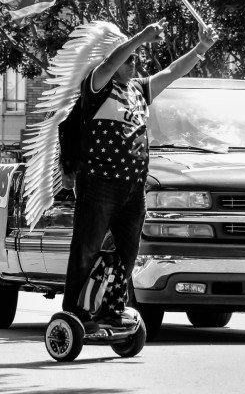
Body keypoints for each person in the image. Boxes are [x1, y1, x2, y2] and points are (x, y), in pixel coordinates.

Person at [59, 19, 216, 332]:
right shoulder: (97, 85)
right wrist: (140, 37)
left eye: (137, 59)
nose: (134, 63)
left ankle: (111, 309)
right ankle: (75, 313)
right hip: (100, 183)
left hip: (134, 187)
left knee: (127, 253)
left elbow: (172, 72)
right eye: (129, 59)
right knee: (87, 248)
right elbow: (109, 63)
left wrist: (201, 48)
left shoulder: (139, 89)